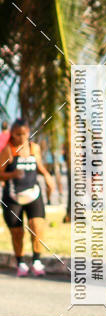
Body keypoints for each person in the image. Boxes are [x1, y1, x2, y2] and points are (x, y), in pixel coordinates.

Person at [0, 118, 54, 276]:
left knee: (37, 226)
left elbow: (39, 166)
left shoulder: (33, 148)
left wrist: (47, 176)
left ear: (29, 133)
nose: (22, 137)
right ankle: (21, 263)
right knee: (17, 232)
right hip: (13, 196)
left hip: (33, 194)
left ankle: (37, 261)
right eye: (18, 134)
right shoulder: (8, 150)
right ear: (12, 134)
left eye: (24, 134)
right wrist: (12, 174)